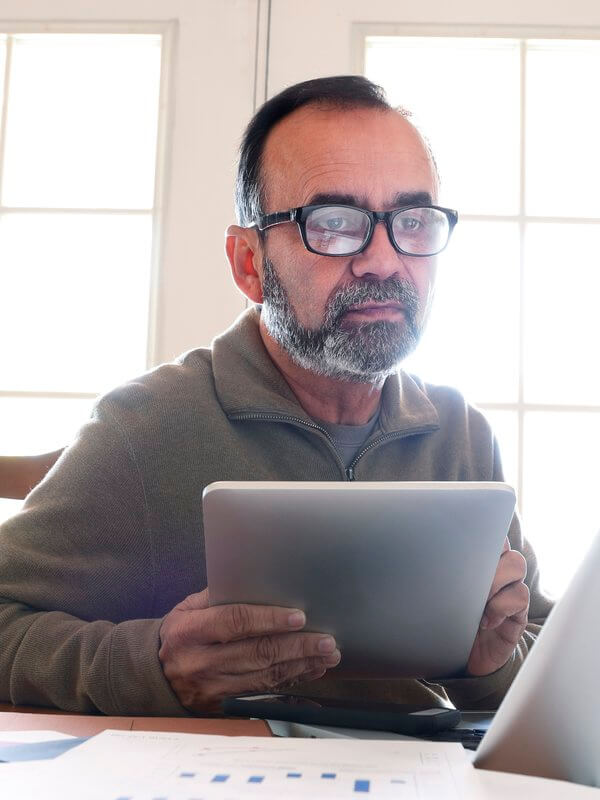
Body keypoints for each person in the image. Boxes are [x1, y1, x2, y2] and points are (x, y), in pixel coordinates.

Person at [0, 76, 552, 716]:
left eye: (413, 221)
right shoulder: (147, 428)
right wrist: (153, 665)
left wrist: (488, 664)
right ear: (247, 264)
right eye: (334, 223)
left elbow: (544, 657)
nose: (383, 258)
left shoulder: (461, 434)